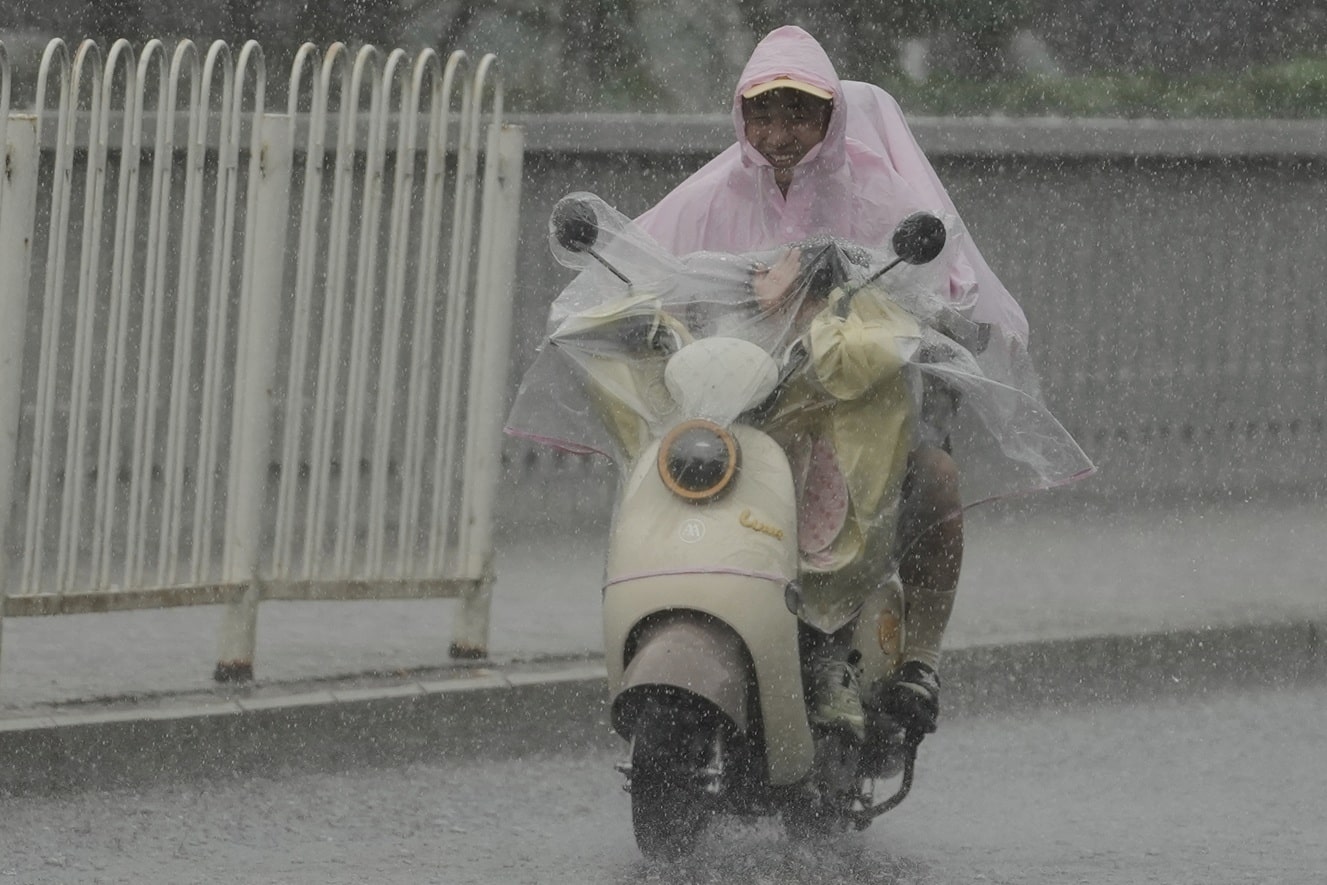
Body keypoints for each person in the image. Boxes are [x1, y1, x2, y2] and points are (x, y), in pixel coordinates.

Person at [634, 25, 1010, 741]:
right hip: (737, 416)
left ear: (829, 118)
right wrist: (615, 312)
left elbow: (939, 284)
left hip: (855, 409)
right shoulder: (710, 194)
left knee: (932, 478)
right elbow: (649, 273)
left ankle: (910, 659)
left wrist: (832, 278)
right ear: (739, 117)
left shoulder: (878, 192)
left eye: (799, 114)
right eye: (763, 113)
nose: (780, 133)